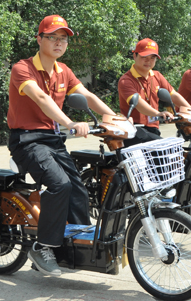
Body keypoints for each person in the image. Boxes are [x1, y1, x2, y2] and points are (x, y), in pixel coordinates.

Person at [7, 15, 116, 276]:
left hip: (52, 141)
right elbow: (41, 98)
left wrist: (113, 117)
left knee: (77, 188)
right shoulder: (22, 68)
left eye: (63, 38)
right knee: (60, 184)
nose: (59, 42)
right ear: (39, 39)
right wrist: (69, 122)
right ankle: (42, 245)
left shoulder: (63, 71)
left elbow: (86, 96)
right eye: (52, 37)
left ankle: (76, 244)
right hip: (27, 140)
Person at [117, 38, 191, 146]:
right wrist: (158, 113)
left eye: (152, 58)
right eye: (144, 57)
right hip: (134, 130)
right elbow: (138, 103)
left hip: (154, 128)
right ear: (134, 56)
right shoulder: (126, 80)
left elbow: (173, 95)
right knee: (165, 148)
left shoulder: (157, 76)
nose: (148, 61)